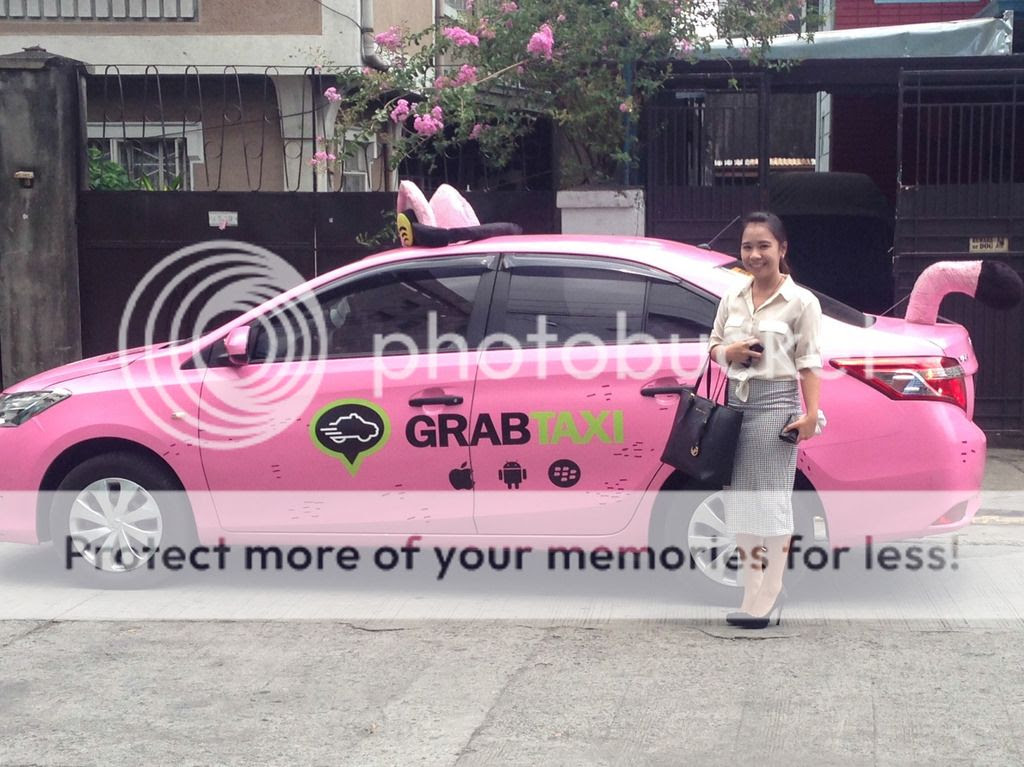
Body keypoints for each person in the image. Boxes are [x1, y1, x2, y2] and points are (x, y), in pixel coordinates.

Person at [707, 211, 823, 629]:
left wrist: (810, 414)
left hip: (776, 407)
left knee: (771, 501)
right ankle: (751, 586)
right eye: (747, 246)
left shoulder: (801, 302)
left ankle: (772, 588)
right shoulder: (733, 297)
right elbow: (713, 346)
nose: (754, 254)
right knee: (739, 502)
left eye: (763, 246)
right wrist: (729, 352)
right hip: (734, 406)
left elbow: (809, 362)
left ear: (782, 249)